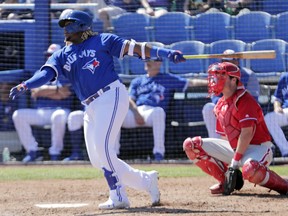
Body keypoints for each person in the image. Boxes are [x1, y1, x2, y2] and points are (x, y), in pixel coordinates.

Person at [9, 9, 186, 209]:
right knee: (97, 159)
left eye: (70, 25)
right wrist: (26, 85)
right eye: (64, 26)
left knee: (104, 150)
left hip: (111, 95)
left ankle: (118, 195)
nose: (66, 30)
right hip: (90, 105)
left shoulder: (103, 40)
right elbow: (46, 74)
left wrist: (165, 53)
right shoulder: (61, 55)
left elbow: (136, 49)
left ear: (82, 26)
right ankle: (146, 181)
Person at [183, 61, 288, 195]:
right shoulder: (220, 104)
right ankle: (225, 182)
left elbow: (247, 134)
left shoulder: (245, 100)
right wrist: (229, 168)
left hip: (258, 148)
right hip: (235, 149)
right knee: (192, 145)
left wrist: (234, 163)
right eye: (215, 76)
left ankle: (284, 186)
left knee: (251, 169)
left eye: (221, 76)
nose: (215, 80)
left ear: (233, 80)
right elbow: (225, 137)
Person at [115, 46, 207, 161]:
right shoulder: (137, 81)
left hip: (152, 113)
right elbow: (129, 99)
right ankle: (114, 154)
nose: (147, 62)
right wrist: (136, 112)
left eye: (150, 60)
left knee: (159, 112)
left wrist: (208, 82)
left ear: (158, 63)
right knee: (116, 114)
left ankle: (159, 154)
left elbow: (191, 82)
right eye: (146, 60)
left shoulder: (167, 79)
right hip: (136, 112)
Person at [12, 43, 73, 163]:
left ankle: (55, 152)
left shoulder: (67, 72)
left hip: (60, 110)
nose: (49, 57)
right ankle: (32, 151)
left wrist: (43, 90)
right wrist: (55, 92)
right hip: (41, 112)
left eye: (53, 55)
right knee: (18, 115)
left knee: (58, 116)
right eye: (48, 55)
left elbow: (65, 93)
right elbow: (34, 92)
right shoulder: (40, 72)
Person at [202, 49, 260, 138]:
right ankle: (215, 142)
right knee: (209, 107)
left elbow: (253, 99)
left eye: (231, 61)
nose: (227, 64)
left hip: (241, 109)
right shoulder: (216, 75)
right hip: (224, 107)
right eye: (225, 61)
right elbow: (215, 97)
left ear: (237, 62)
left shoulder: (249, 75)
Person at [264, 73, 288, 157]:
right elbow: (277, 98)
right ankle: (286, 151)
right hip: (286, 111)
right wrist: (277, 107)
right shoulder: (285, 77)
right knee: (269, 118)